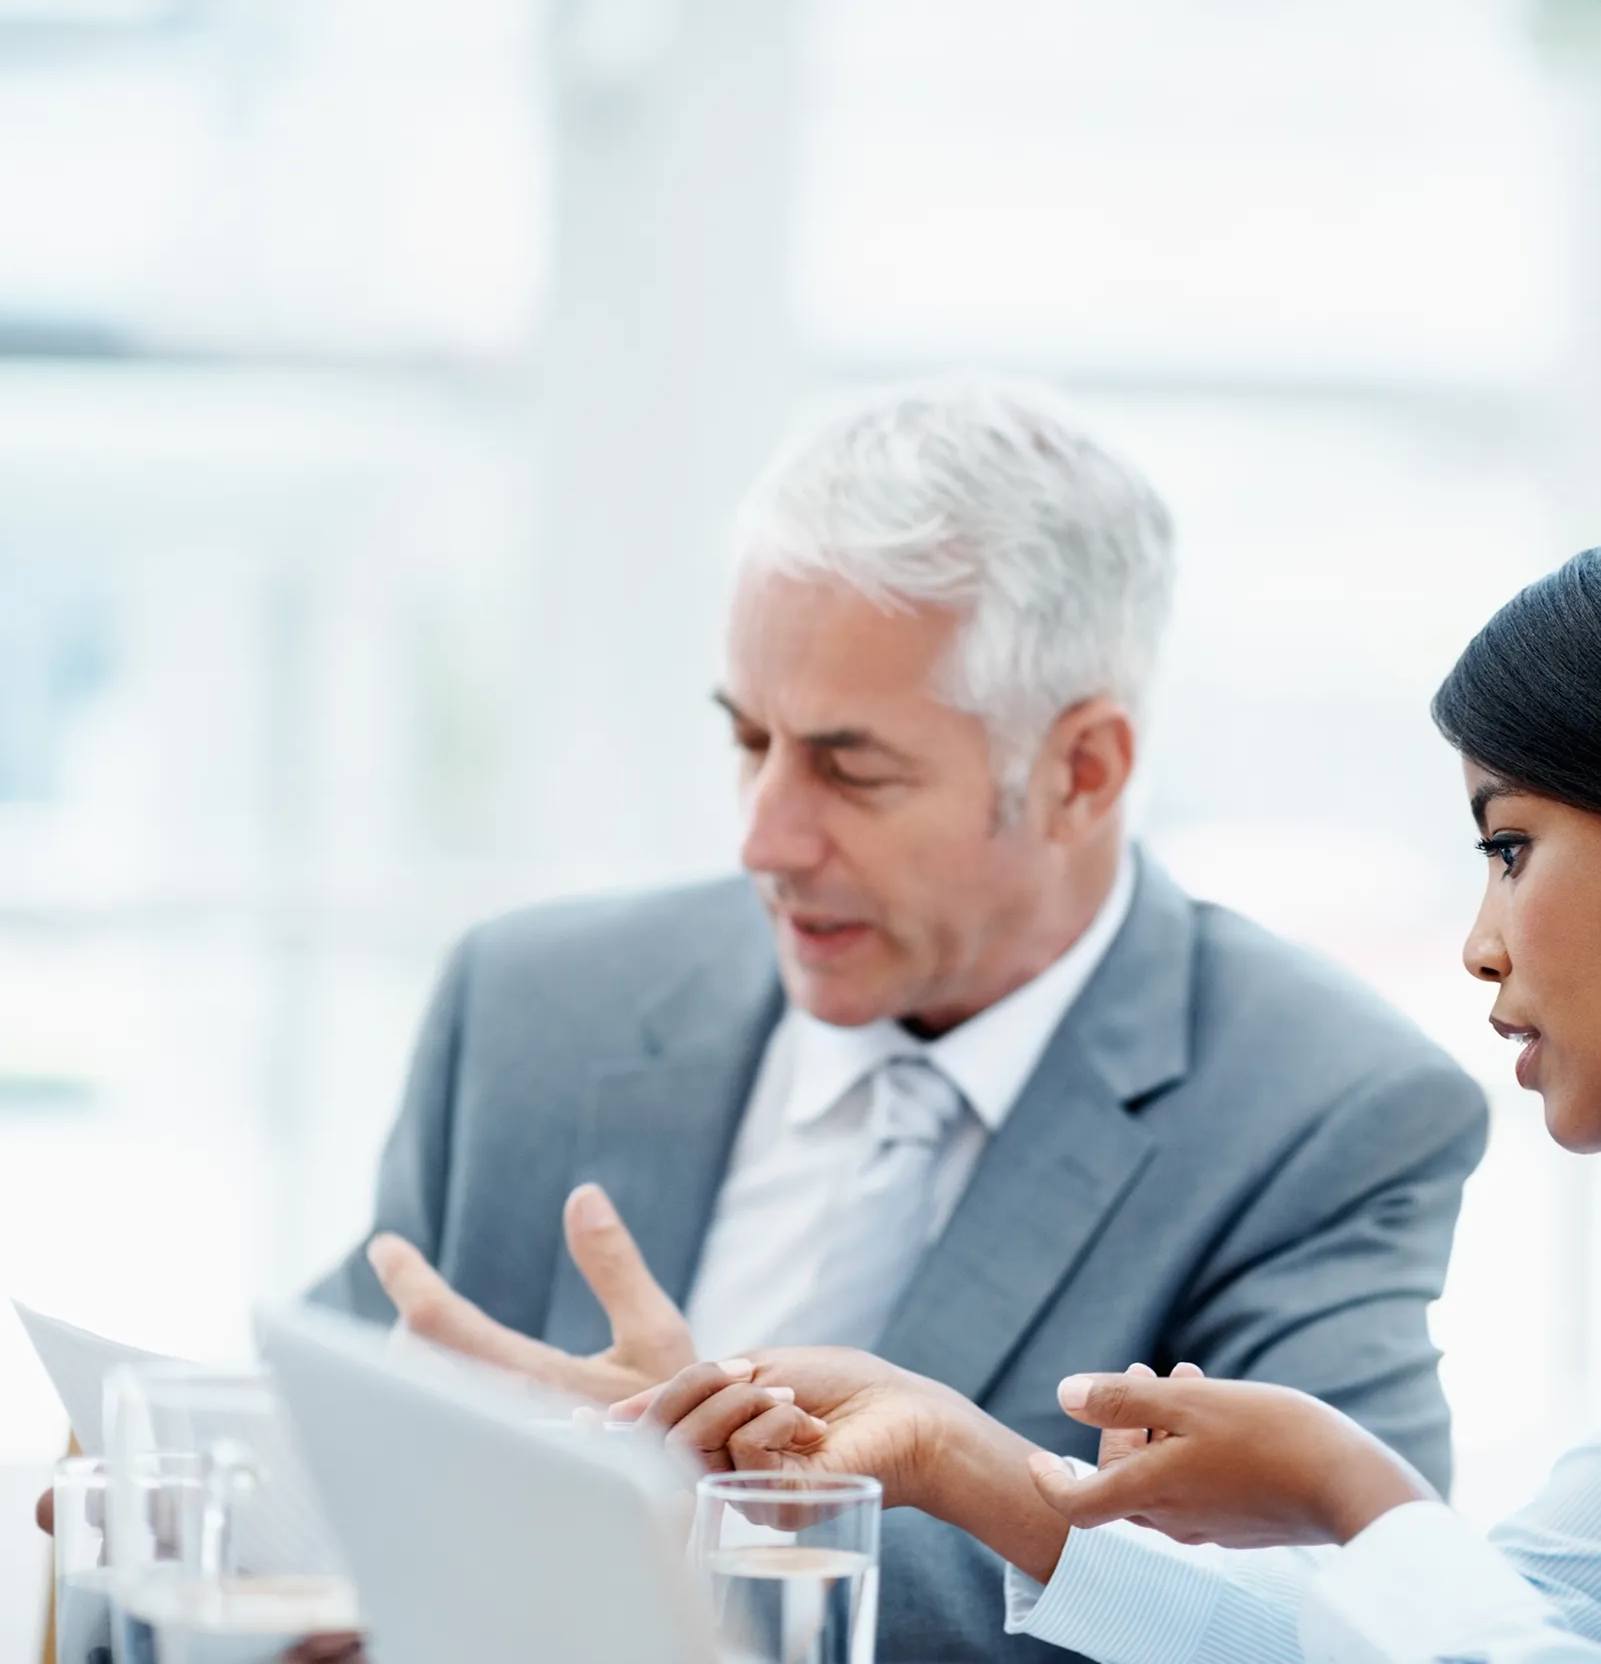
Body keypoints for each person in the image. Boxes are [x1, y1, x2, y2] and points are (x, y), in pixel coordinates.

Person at [624, 514, 1601, 1664]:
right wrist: (968, 1468)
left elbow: (1446, 1608)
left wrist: (1350, 1486)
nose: (1481, 943)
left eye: (1513, 846)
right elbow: (1484, 1614)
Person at [299, 378, 1490, 1664]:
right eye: (748, 739)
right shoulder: (531, 1002)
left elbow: (1345, 1619)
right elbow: (330, 1422)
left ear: (1082, 770)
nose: (764, 836)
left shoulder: (1326, 1113)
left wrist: (682, 1515)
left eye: (850, 768)